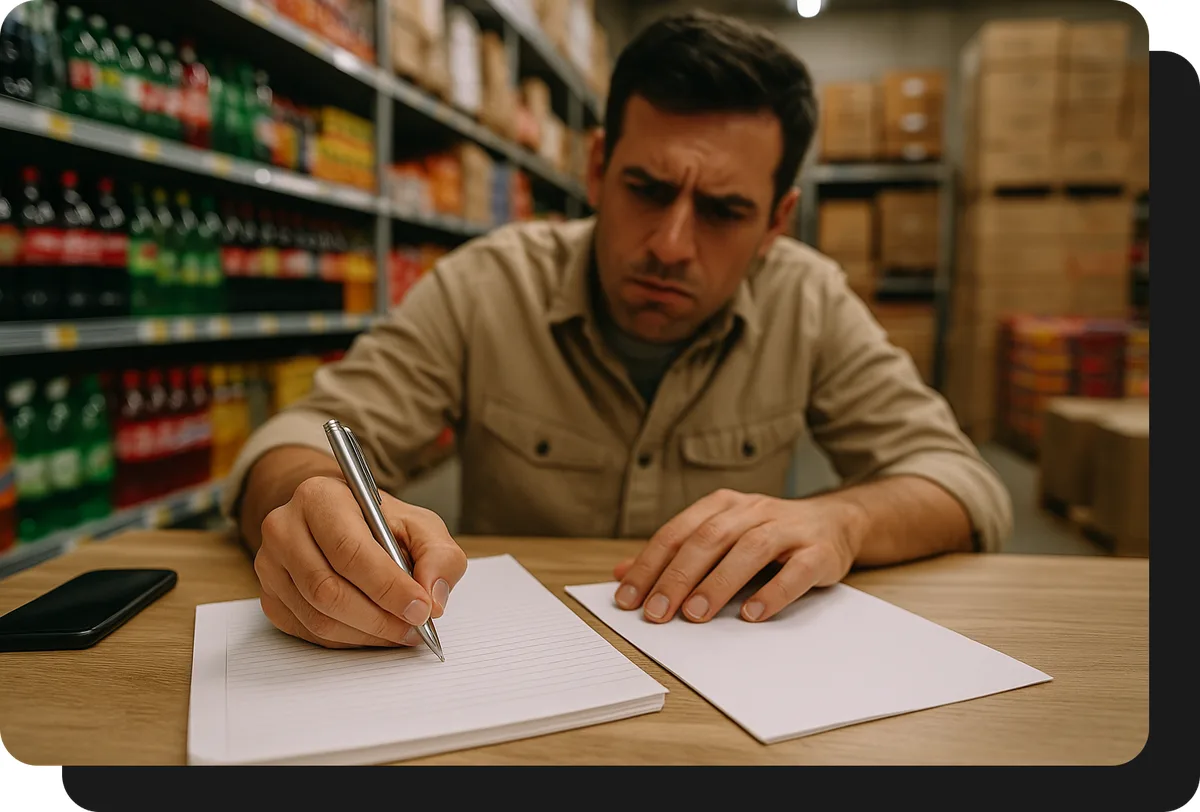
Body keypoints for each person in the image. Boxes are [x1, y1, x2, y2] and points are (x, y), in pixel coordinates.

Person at [222, 10, 1012, 650]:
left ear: (777, 220)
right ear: (598, 168)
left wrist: (843, 518)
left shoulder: (809, 301)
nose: (671, 245)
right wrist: (311, 498)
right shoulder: (488, 282)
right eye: (647, 188)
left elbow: (962, 483)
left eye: (723, 211)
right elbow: (289, 440)